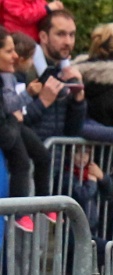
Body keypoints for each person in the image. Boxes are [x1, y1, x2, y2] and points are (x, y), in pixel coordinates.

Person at [0, 25, 54, 230]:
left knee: (42, 155)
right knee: (21, 163)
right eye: (9, 51)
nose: (15, 56)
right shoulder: (5, 76)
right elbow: (9, 105)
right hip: (10, 128)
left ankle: (43, 203)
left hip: (13, 126)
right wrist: (29, 95)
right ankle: (19, 212)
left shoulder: (8, 74)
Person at [22, 8, 85, 142]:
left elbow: (73, 132)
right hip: (29, 153)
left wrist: (78, 100)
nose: (68, 42)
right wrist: (42, 102)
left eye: (72, 35)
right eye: (61, 34)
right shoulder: (25, 70)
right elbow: (13, 121)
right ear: (43, 37)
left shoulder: (68, 73)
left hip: (56, 154)